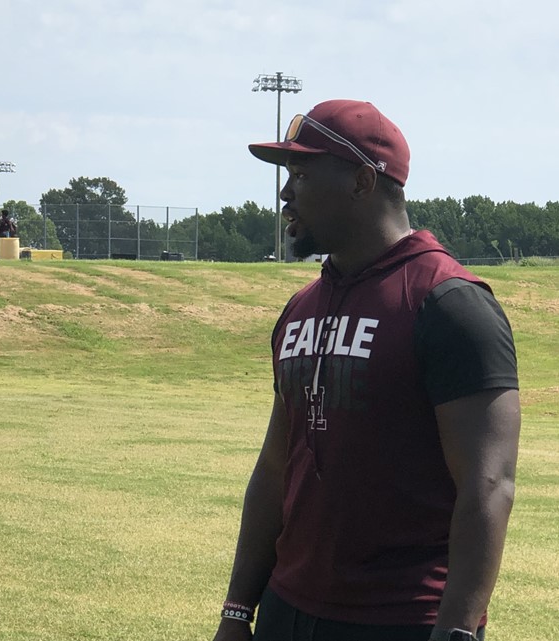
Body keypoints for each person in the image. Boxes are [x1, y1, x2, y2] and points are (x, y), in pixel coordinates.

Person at [212, 100, 519, 641]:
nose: (286, 194)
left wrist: (457, 631)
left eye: (301, 175)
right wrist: (238, 612)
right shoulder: (300, 308)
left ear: (360, 182)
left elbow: (487, 483)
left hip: (401, 618)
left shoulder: (449, 305)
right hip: (288, 610)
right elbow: (275, 468)